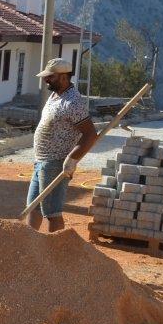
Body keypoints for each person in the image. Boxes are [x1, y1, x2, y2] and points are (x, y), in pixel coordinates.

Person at [26, 57, 99, 233]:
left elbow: (90, 135)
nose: (46, 80)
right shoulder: (55, 95)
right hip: (41, 162)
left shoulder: (73, 102)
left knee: (52, 212)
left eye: (50, 77)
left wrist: (72, 159)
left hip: (56, 163)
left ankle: (55, 253)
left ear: (64, 77)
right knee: (33, 207)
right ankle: (28, 247)